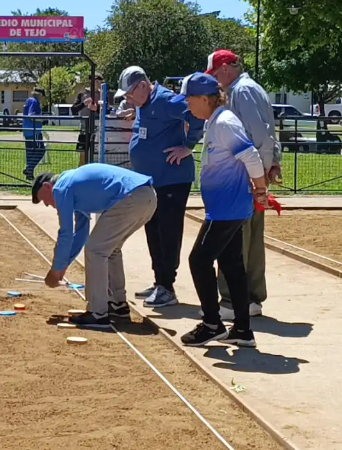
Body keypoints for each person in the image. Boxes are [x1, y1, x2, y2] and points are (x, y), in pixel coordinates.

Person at [174, 72, 268, 348]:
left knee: (198, 260)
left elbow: (249, 154)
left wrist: (260, 188)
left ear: (205, 99)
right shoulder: (215, 122)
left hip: (228, 208)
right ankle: (242, 329)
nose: (187, 105)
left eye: (190, 99)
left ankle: (212, 324)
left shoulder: (224, 122)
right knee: (231, 264)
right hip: (227, 207)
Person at [120, 66, 205, 309]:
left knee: (167, 233)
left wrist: (188, 146)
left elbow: (196, 114)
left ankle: (167, 286)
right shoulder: (144, 103)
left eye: (129, 93)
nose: (128, 98)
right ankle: (160, 281)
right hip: (152, 181)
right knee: (153, 231)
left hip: (172, 180)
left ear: (143, 85)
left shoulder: (167, 99)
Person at [32, 164, 157, 328]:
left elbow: (66, 233)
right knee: (110, 249)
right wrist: (63, 266)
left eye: (44, 199)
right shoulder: (73, 185)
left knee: (96, 250)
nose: (47, 204)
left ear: (48, 187)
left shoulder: (61, 188)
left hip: (131, 197)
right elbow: (81, 233)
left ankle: (98, 313)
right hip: (148, 197)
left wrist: (55, 271)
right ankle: (117, 304)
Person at [206, 49, 280, 320]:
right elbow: (269, 132)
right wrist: (271, 165)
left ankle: (231, 300)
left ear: (226, 68)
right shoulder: (253, 88)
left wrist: (257, 174)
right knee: (251, 240)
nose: (215, 81)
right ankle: (250, 298)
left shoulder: (241, 91)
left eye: (214, 74)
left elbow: (258, 135)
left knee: (233, 239)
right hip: (254, 174)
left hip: (244, 176)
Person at [71, 73, 104, 165]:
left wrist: (97, 109)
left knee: (97, 154)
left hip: (98, 129)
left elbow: (107, 111)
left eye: (98, 81)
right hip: (85, 129)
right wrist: (83, 104)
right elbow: (73, 109)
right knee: (83, 154)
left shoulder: (102, 94)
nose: (96, 83)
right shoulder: (82, 94)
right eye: (94, 81)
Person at [23, 87, 46, 181]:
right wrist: (42, 119)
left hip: (27, 130)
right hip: (34, 131)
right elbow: (31, 115)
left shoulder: (29, 100)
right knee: (40, 150)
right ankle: (29, 169)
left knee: (31, 153)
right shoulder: (34, 102)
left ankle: (29, 175)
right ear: (40, 94)